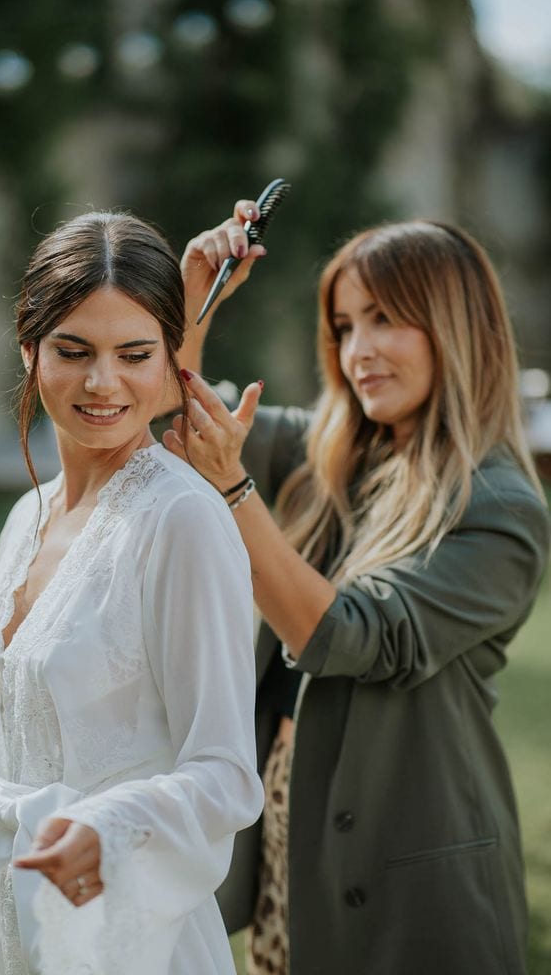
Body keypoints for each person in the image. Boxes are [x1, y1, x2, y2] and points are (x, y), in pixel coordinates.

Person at [163, 202, 551, 975]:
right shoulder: (332, 451)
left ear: (457, 328)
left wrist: (236, 491)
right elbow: (171, 426)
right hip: (293, 855)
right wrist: (192, 304)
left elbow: (352, 637)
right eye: (343, 327)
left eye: (384, 320)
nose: (357, 351)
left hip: (411, 882)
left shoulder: (500, 508)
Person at [0, 210, 263, 975]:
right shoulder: (23, 519)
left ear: (172, 359)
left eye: (135, 354)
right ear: (28, 348)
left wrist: (108, 824)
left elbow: (227, 774)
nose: (104, 383)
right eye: (74, 351)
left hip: (120, 934)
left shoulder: (183, 521)